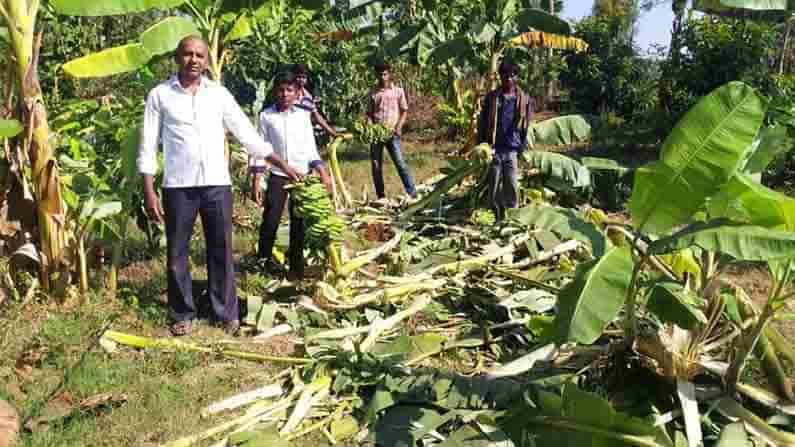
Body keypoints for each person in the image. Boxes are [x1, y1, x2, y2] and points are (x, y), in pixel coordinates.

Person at [138, 36, 302, 337]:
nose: (194, 59)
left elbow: (246, 133)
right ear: (177, 57)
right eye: (187, 54)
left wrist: (281, 164)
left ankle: (224, 312)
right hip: (178, 186)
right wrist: (149, 189)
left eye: (199, 54)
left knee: (221, 250)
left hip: (216, 184)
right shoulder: (160, 95)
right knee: (177, 253)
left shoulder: (219, 95)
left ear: (205, 60)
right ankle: (182, 312)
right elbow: (148, 145)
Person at [250, 72, 333, 281]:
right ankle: (264, 259)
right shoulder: (266, 116)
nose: (285, 94)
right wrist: (256, 180)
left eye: (289, 90)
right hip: (278, 175)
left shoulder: (302, 116)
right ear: (274, 92)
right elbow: (260, 149)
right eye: (280, 90)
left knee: (299, 222)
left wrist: (323, 172)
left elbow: (310, 147)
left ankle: (297, 266)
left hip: (302, 175)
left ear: (297, 93)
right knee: (271, 219)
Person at [477, 60, 535, 221]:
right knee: (494, 185)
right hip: (494, 148)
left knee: (511, 184)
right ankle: (495, 215)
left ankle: (511, 215)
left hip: (511, 149)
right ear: (500, 77)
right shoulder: (493, 98)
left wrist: (522, 147)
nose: (509, 79)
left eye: (512, 76)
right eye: (505, 76)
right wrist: (481, 143)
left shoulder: (524, 100)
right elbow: (483, 122)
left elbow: (526, 126)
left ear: (517, 77)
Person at [366, 61, 417, 200]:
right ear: (376, 75)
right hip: (376, 134)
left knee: (400, 163)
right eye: (380, 74)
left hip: (392, 133)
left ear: (389, 74)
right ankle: (381, 196)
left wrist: (399, 127)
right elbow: (369, 114)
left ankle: (412, 192)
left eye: (385, 74)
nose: (382, 77)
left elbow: (404, 111)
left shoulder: (398, 91)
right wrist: (369, 127)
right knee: (376, 166)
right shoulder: (373, 92)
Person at [292, 63, 338, 138]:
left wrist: (332, 133)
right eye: (298, 77)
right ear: (293, 76)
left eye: (303, 77)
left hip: (302, 134)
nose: (301, 80)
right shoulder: (287, 94)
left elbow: (317, 116)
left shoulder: (308, 96)